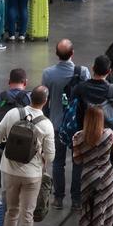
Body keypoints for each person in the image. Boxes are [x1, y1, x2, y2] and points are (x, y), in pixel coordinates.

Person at [0, 85, 54, 226]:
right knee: (27, 213)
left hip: (9, 170)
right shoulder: (46, 124)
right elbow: (51, 155)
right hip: (32, 175)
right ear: (45, 101)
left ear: (30, 98)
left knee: (11, 211)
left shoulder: (13, 113)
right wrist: (42, 159)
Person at [72, 105, 113, 226]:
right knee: (105, 214)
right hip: (107, 179)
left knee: (87, 216)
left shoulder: (78, 137)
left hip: (87, 179)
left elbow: (77, 160)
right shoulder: (109, 135)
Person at [42, 40, 90, 209]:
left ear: (56, 54)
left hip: (56, 124)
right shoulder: (82, 72)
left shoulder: (48, 74)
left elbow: (45, 101)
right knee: (78, 162)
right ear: (72, 53)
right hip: (78, 125)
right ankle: (76, 200)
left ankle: (58, 198)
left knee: (58, 162)